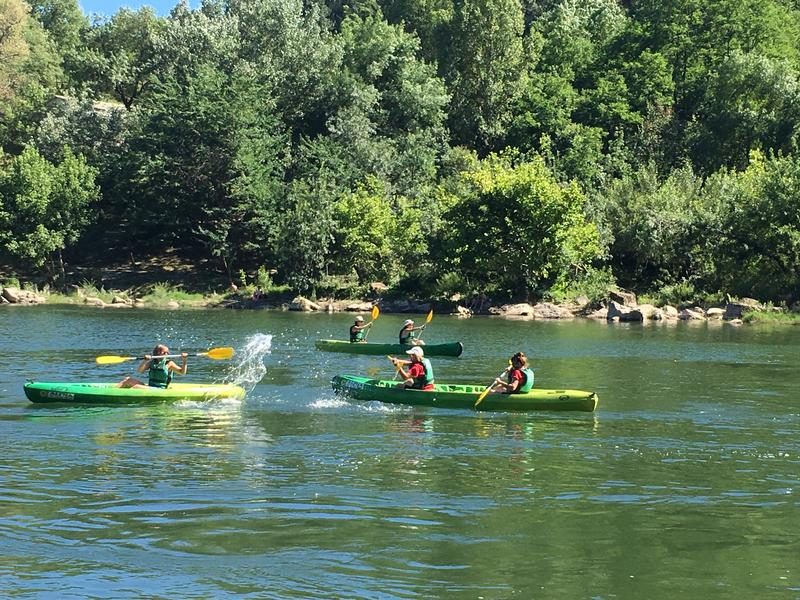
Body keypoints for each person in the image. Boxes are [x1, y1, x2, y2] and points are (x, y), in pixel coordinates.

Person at [118, 344, 188, 389]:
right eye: (164, 352)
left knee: (135, 387)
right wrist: (144, 361)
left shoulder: (169, 363)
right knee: (127, 380)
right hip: (150, 387)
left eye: (167, 352)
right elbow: (140, 371)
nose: (166, 354)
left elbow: (182, 372)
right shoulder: (151, 362)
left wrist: (184, 360)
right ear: (157, 353)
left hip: (160, 389)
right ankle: (112, 390)